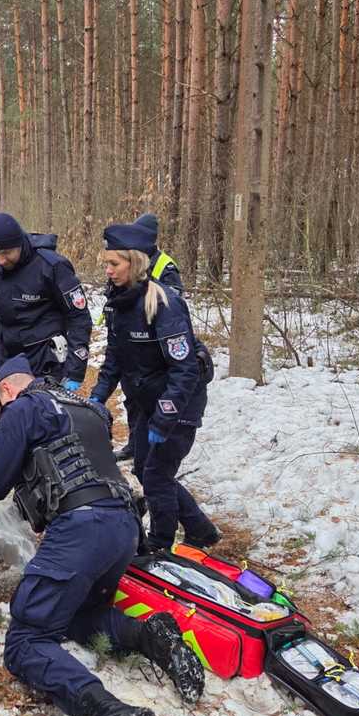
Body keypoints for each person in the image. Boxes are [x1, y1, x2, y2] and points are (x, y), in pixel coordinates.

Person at [0, 355, 205, 716]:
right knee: (76, 614)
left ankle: (110, 714)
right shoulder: (86, 407)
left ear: (6, 390)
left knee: (26, 640)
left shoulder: (23, 409)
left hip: (80, 529)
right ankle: (151, 636)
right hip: (124, 527)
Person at [89, 223, 219, 553]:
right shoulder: (117, 302)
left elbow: (185, 370)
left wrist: (164, 418)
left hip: (179, 404)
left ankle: (160, 544)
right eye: (106, 264)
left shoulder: (163, 303)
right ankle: (200, 530)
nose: (108, 270)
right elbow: (115, 357)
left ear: (134, 262)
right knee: (146, 471)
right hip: (149, 401)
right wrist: (97, 397)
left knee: (157, 476)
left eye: (114, 264)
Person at [0, 213, 91, 390]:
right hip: (6, 356)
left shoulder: (51, 266)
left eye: (6, 253)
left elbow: (79, 317)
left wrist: (75, 369)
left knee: (40, 407)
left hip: (45, 359)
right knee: (10, 406)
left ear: (19, 243)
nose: (1, 260)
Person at [109, 214, 183, 461]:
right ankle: (136, 445)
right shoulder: (123, 260)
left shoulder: (165, 265)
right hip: (129, 343)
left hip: (152, 343)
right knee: (133, 399)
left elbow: (173, 300)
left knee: (151, 401)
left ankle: (152, 452)